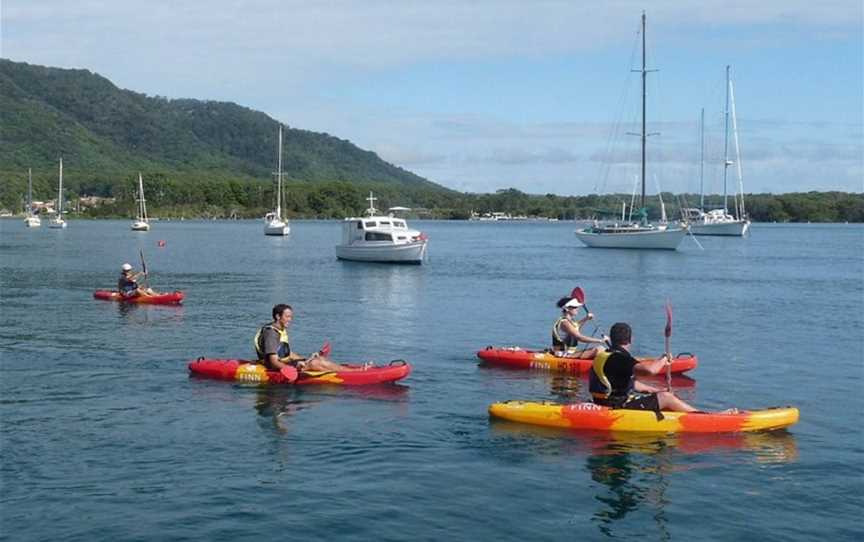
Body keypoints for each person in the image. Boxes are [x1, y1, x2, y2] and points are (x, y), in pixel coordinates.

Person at [589, 322, 701, 413]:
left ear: (612, 339)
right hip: (616, 407)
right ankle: (701, 417)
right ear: (630, 339)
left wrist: (656, 390)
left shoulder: (604, 355)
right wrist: (663, 360)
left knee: (662, 395)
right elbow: (650, 371)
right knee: (666, 398)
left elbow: (631, 384)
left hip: (603, 402)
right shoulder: (619, 359)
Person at [254, 304, 369, 372]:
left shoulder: (280, 329)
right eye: (287, 316)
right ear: (278, 316)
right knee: (315, 363)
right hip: (274, 369)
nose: (290, 319)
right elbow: (274, 362)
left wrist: (304, 359)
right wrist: (294, 369)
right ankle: (357, 372)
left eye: (291, 317)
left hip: (285, 363)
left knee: (319, 360)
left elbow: (286, 353)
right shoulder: (271, 333)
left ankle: (353, 370)